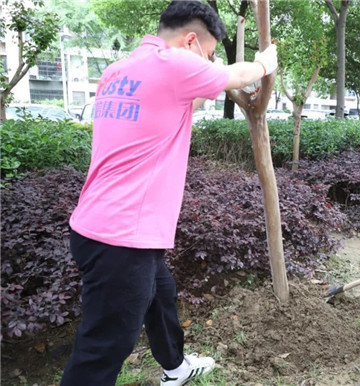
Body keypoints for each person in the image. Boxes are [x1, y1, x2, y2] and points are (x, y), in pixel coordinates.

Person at [61, 1, 278, 385]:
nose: (209, 63)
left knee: (160, 294)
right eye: (209, 55)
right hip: (123, 237)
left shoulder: (120, 71)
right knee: (103, 347)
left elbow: (173, 105)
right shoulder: (172, 64)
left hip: (100, 225)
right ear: (191, 41)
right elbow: (233, 74)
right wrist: (263, 64)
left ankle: (175, 367)